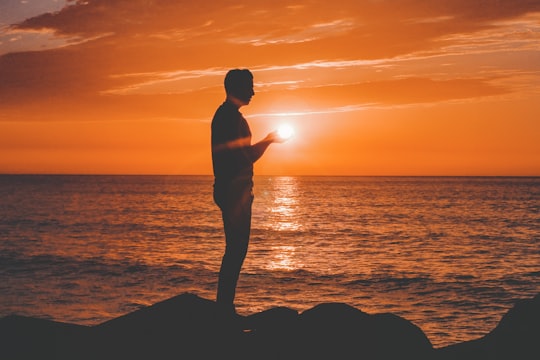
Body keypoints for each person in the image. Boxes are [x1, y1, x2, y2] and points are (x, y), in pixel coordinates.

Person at [211, 68, 285, 319]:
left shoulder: (228, 116)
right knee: (236, 250)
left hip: (233, 190)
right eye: (249, 86)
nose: (253, 91)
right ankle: (224, 309)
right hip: (233, 192)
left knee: (235, 249)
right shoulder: (229, 118)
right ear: (236, 88)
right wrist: (268, 141)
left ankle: (225, 307)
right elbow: (245, 157)